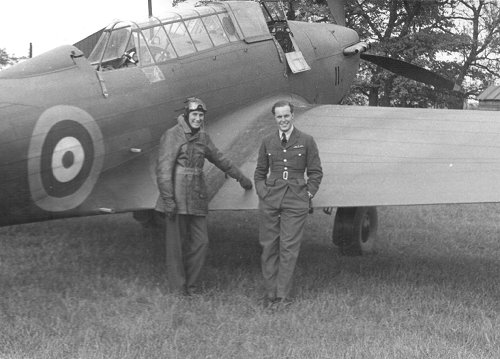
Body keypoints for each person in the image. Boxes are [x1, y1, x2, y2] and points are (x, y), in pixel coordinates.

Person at [156, 97, 253, 296]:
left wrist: (241, 177)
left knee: (202, 242)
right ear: (186, 115)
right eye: (195, 115)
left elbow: (220, 159)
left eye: (201, 115)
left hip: (197, 196)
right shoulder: (172, 135)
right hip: (176, 195)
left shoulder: (203, 137)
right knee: (176, 246)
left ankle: (191, 286)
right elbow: (164, 169)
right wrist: (168, 199)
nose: (198, 119)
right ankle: (178, 289)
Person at [254, 100, 323, 307]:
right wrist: (263, 193)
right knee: (268, 247)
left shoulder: (307, 140)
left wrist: (307, 195)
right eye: (279, 117)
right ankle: (270, 294)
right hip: (270, 199)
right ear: (274, 118)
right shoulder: (267, 141)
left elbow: (315, 172)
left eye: (286, 116)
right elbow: (259, 173)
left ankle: (282, 297)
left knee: (288, 248)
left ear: (292, 116)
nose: (283, 120)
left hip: (296, 199)